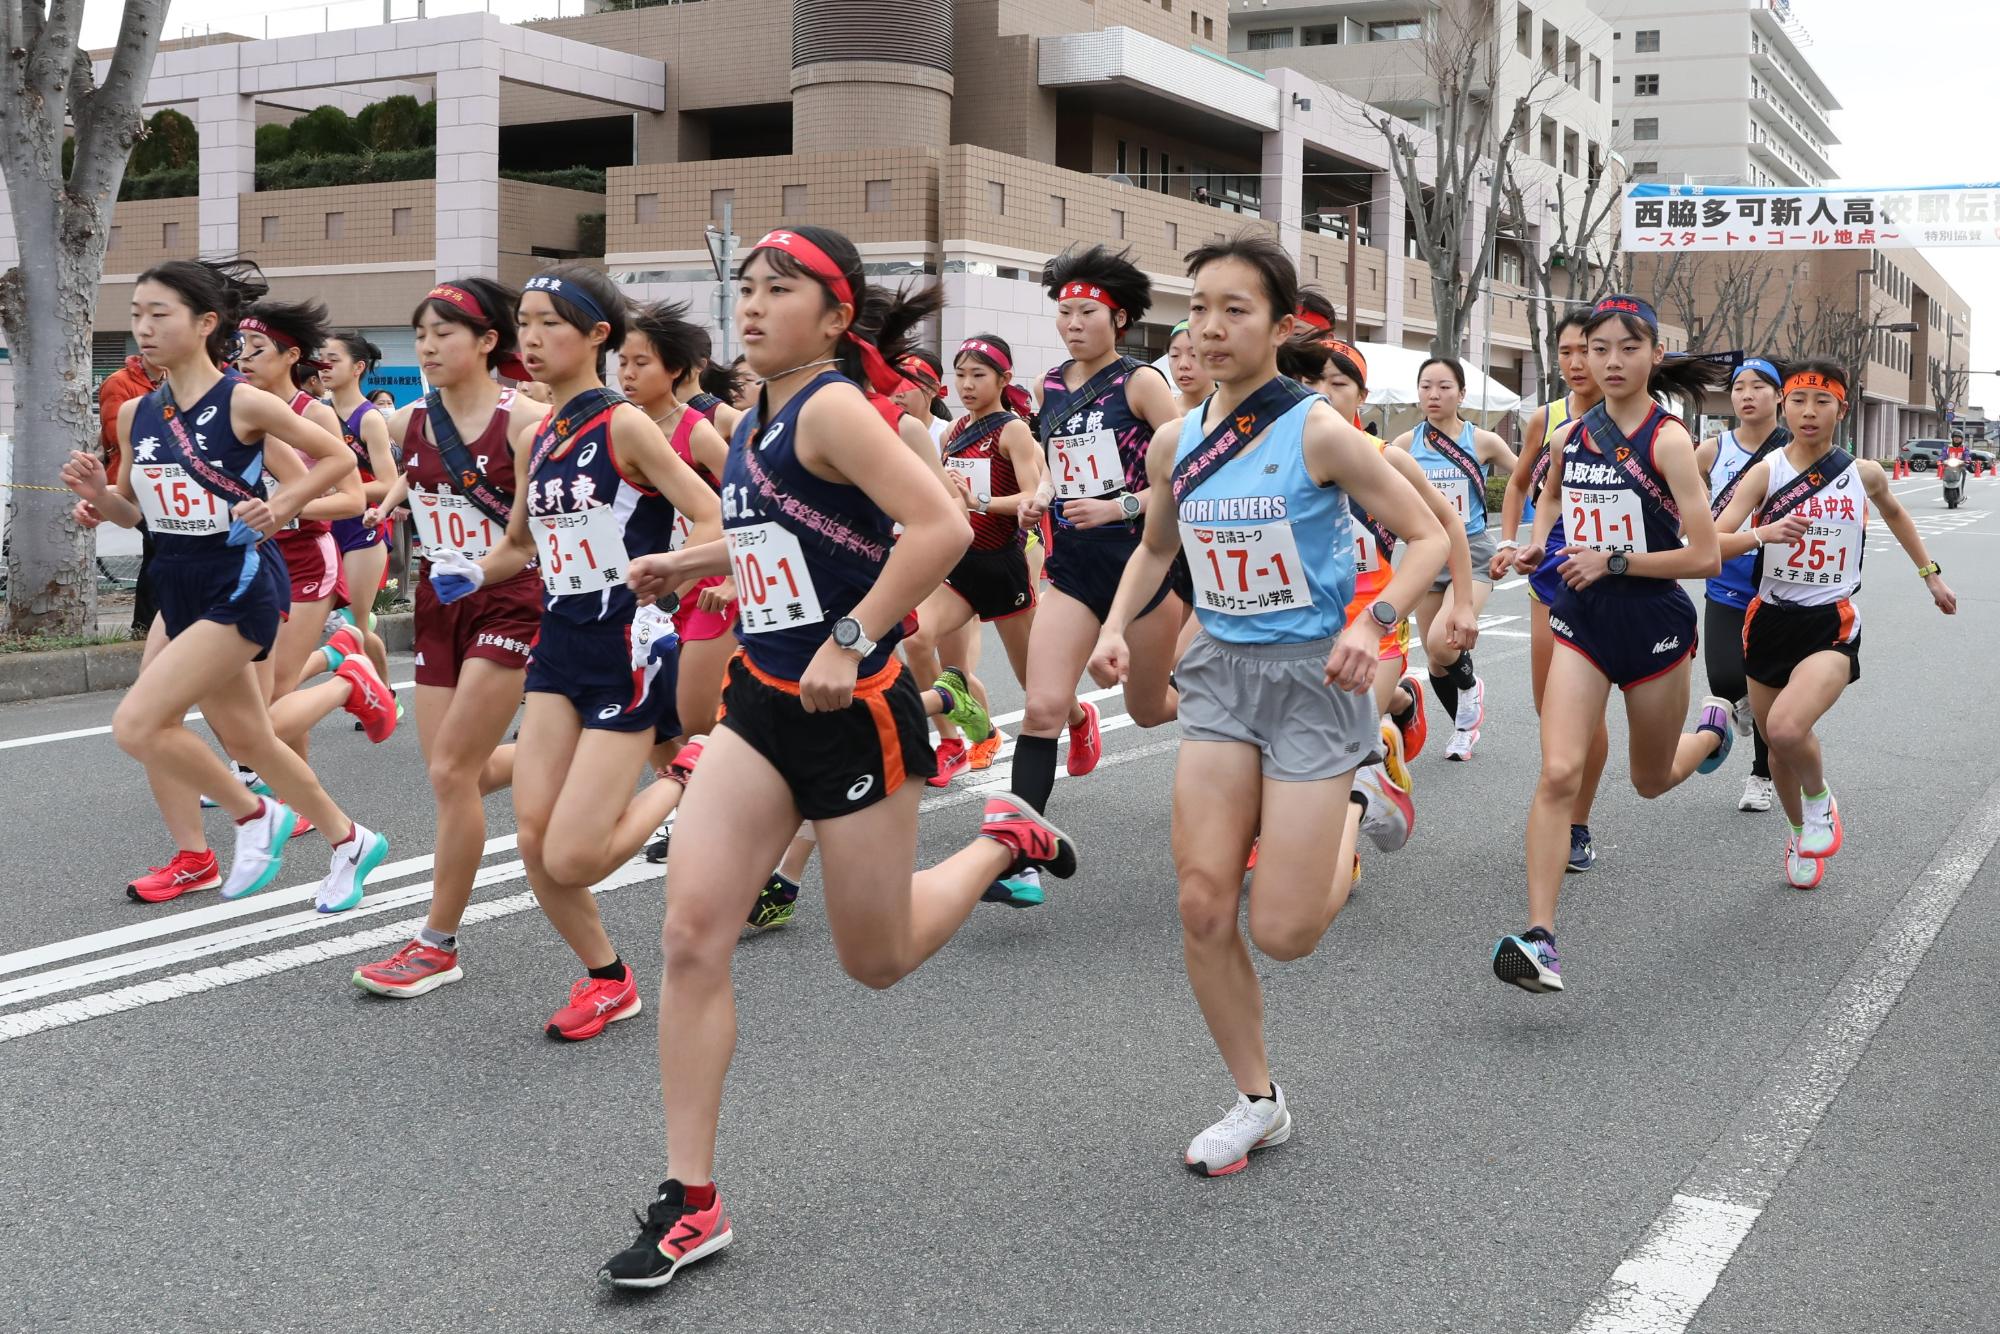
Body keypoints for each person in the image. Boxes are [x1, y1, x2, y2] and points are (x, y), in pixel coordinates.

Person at [598, 225, 1076, 1289]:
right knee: (688, 934)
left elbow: (939, 529)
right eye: (747, 290)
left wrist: (850, 635)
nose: (753, 307)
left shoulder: (831, 406)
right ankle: (691, 1198)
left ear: (835, 315)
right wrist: (691, 558)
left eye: (779, 291)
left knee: (876, 956)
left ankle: (1005, 840)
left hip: (852, 706)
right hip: (761, 700)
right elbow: (784, 533)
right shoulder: (761, 413)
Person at [1089, 233, 1446, 1175]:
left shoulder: (1319, 431)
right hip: (1220, 680)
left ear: (1281, 327)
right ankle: (1257, 1099)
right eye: (1198, 307)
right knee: (1205, 901)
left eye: (1234, 310)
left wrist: (1375, 625)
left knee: (1285, 931)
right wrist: (1119, 625)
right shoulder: (1178, 439)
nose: (1208, 327)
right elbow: (1158, 548)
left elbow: (1424, 540)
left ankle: (1366, 795)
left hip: (1315, 685)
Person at [419, 264, 724, 1041]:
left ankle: (685, 775)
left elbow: (712, 518)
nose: (531, 335)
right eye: (524, 320)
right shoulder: (541, 432)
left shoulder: (625, 425)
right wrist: (468, 570)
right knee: (533, 840)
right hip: (557, 646)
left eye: (551, 322)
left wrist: (680, 576)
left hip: (626, 645)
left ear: (597, 336)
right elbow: (519, 546)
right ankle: (609, 979)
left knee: (576, 857)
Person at [61, 258, 388, 912]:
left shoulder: (243, 401)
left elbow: (340, 460)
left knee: (138, 723)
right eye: (137, 315)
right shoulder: (136, 416)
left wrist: (284, 502)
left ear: (207, 324)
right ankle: (350, 840)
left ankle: (251, 816)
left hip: (239, 580)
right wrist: (103, 499)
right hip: (174, 581)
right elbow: (137, 513)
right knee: (249, 738)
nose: (144, 328)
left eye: (161, 315)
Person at [1495, 295, 1735, 994]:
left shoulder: (1669, 442)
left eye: (1627, 348)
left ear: (1654, 355)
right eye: (1598, 348)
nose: (1610, 361)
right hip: (1584, 618)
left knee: (1650, 780)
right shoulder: (1573, 435)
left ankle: (1712, 734)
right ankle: (1540, 938)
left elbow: (1707, 557)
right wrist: (1533, 546)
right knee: (1558, 772)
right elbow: (1550, 501)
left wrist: (1617, 560)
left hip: (1655, 622)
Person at [351, 278, 549, 998]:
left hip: (510, 602)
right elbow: (400, 486)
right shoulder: (410, 422)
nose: (428, 346)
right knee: (447, 773)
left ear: (489, 341)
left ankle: (437, 941)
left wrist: (481, 565)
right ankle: (565, 752)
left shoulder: (528, 423)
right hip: (440, 600)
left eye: (445, 333)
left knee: (450, 774)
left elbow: (528, 541)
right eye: (422, 334)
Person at [1712, 361, 1956, 889]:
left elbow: (1895, 513)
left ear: (1841, 410)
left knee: (1784, 727)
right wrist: (1765, 532)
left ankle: (1821, 799)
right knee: (1778, 748)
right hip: (1769, 619)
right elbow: (1714, 540)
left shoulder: (1862, 473)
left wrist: (1930, 575)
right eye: (1799, 401)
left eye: (1822, 403)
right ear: (1786, 406)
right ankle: (1800, 833)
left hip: (1832, 621)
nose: (1808, 412)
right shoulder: (1767, 472)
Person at [1011, 245, 1183, 883]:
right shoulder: (1048, 385)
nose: (1073, 323)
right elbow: (1059, 465)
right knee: (1041, 708)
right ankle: (1019, 853)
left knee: (1147, 710)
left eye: (1087, 312)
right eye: (1064, 312)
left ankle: (1224, 706)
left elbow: (1188, 471)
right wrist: (1040, 498)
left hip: (1142, 565)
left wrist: (1121, 508)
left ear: (1118, 319)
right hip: (1075, 571)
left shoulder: (1140, 383)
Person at [1280, 332, 1476, 764]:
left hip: (1377, 618)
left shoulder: (1386, 458)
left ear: (1362, 397)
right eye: (1309, 382)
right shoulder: (1273, 459)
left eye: (1338, 384)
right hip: (1299, 625)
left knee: (1338, 748)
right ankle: (1403, 704)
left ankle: (1375, 761)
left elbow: (1447, 525)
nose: (1322, 395)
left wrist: (1463, 603)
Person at [901, 334, 1049, 790]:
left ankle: (1080, 717)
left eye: (978, 375)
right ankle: (951, 742)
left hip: (1004, 564)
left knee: (1036, 686)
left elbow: (1032, 493)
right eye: (960, 375)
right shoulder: (951, 432)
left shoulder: (1014, 429)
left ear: (1004, 379)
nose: (966, 384)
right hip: (960, 566)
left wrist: (978, 500)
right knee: (917, 637)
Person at [1494, 311, 1609, 870]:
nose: (1576, 362)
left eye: (1586, 349)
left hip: (1614, 574)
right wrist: (1516, 543)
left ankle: (1577, 823)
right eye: (1565, 351)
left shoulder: (1636, 422)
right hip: (1551, 568)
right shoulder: (1548, 418)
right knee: (1551, 705)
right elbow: (1522, 485)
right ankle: (1561, 804)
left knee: (1591, 712)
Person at [1387, 357, 1516, 760]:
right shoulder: (1406, 444)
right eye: (1426, 386)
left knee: (1445, 645)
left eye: (1444, 387)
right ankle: (1463, 729)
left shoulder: (1483, 441)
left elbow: (1527, 476)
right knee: (1435, 655)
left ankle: (1470, 687)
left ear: (1461, 394)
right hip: (1428, 554)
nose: (1434, 394)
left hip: (1473, 552)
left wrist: (1517, 537)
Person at [1694, 357, 1788, 815]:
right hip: (1726, 580)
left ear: (1778, 396)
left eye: (1758, 387)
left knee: (1768, 689)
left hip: (1779, 586)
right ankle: (1746, 705)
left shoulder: (1795, 451)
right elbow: (1680, 502)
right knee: (1726, 680)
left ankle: (1762, 774)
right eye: (1738, 388)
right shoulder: (1711, 450)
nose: (1746, 395)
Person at [320, 331, 398, 685]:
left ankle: (384, 695)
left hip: (361, 528)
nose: (324, 366)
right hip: (321, 527)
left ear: (358, 368)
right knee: (347, 625)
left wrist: (341, 490)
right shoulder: (315, 413)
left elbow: (387, 482)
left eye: (333, 360)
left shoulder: (369, 418)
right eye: (321, 359)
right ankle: (379, 690)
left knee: (354, 623)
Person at [98, 350, 164, 636]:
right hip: (132, 482)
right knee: (159, 546)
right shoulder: (118, 382)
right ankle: (146, 625)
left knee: (157, 549)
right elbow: (117, 435)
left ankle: (148, 625)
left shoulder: (172, 379)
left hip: (165, 480)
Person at [1166, 319, 1213, 418]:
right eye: (1175, 355)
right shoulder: (1159, 414)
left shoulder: (1232, 413)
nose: (1183, 365)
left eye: (1194, 355)